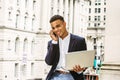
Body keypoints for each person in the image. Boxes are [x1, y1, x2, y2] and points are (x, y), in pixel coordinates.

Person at [45, 15, 87, 80]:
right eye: (53, 28)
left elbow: (84, 63)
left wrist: (80, 70)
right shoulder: (52, 43)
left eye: (58, 26)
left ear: (64, 24)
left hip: (71, 76)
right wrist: (55, 42)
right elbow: (49, 62)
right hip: (55, 76)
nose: (56, 30)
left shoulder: (79, 41)